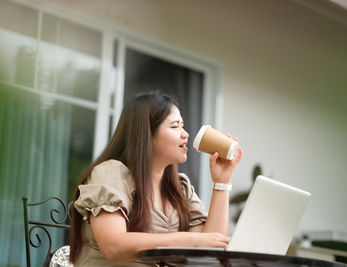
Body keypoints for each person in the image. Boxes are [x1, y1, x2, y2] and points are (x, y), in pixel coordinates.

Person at [69, 91, 242, 266]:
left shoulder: (180, 188)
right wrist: (191, 239)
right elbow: (114, 247)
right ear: (146, 134)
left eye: (182, 126)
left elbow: (209, 249)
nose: (185, 134)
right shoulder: (112, 174)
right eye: (175, 126)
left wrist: (222, 182)